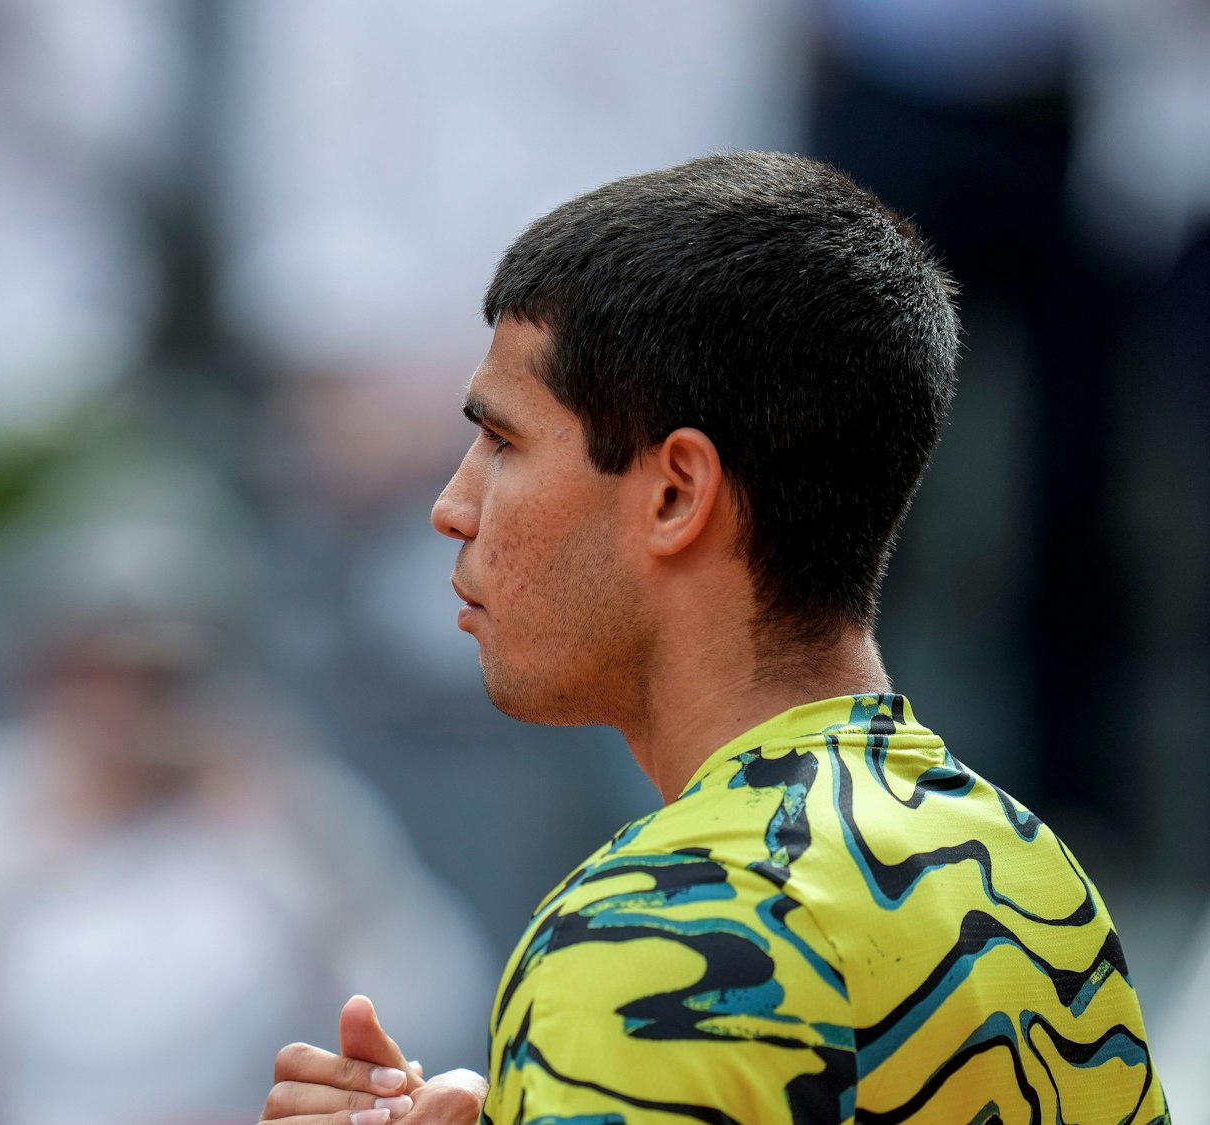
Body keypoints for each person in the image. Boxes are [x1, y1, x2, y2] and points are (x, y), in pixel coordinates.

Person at [256, 152, 1166, 1123]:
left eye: (503, 442)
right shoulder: (1027, 863)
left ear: (674, 493)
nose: (451, 506)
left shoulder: (651, 934)